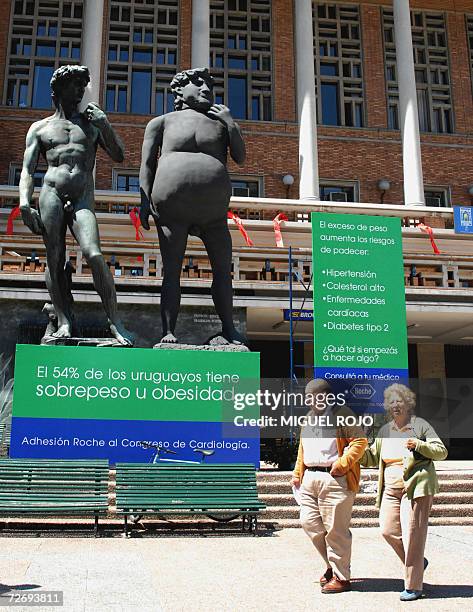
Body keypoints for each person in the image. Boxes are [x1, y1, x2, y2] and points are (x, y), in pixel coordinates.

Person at [19, 64, 134, 346]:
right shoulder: (40, 128)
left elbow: (119, 156)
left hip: (82, 196)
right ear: (58, 89)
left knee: (94, 254)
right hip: (51, 193)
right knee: (55, 258)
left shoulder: (91, 124)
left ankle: (115, 321)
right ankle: (64, 319)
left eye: (83, 84)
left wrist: (105, 123)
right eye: (74, 84)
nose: (81, 90)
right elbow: (26, 169)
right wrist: (24, 203)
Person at [139, 67, 246, 346]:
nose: (206, 89)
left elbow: (241, 157)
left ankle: (229, 329)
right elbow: (147, 163)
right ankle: (168, 331)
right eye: (198, 83)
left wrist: (230, 122)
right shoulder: (161, 122)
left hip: (213, 212)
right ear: (178, 90)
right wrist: (143, 200)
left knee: (223, 269)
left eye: (210, 85)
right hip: (172, 209)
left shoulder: (221, 123)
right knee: (172, 269)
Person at [361, 383, 448, 602]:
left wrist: (419, 445)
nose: (395, 406)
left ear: (408, 404)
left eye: (399, 401)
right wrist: (356, 452)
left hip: (415, 487)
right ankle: (419, 562)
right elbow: (372, 457)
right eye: (391, 402)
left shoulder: (420, 425)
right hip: (390, 489)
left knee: (413, 534)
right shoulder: (384, 430)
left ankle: (413, 585)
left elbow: (441, 452)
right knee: (388, 530)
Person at [291, 379, 368, 594]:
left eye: (311, 395)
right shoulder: (308, 418)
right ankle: (331, 566)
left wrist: (342, 464)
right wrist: (298, 473)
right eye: (306, 396)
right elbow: (303, 448)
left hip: (334, 478)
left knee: (336, 531)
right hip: (310, 479)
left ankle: (341, 577)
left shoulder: (342, 413)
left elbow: (359, 441)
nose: (308, 400)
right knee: (309, 524)